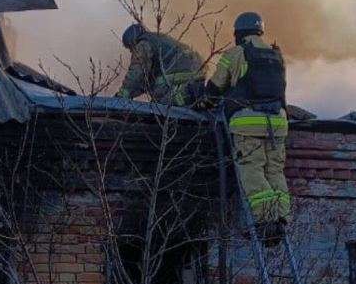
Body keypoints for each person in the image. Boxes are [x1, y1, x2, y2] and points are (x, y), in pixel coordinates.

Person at [206, 12, 290, 242]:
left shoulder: (236, 54)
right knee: (274, 170)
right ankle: (281, 218)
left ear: (238, 34)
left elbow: (215, 87)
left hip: (248, 123)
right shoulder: (277, 56)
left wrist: (205, 100)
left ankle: (266, 222)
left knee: (252, 169)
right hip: (278, 123)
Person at [115, 23, 205, 107]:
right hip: (196, 70)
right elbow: (143, 83)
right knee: (160, 94)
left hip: (177, 72)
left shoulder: (142, 45)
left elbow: (135, 74)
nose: (131, 51)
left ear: (132, 42)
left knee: (159, 104)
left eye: (130, 48)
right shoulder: (158, 38)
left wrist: (122, 95)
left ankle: (180, 102)